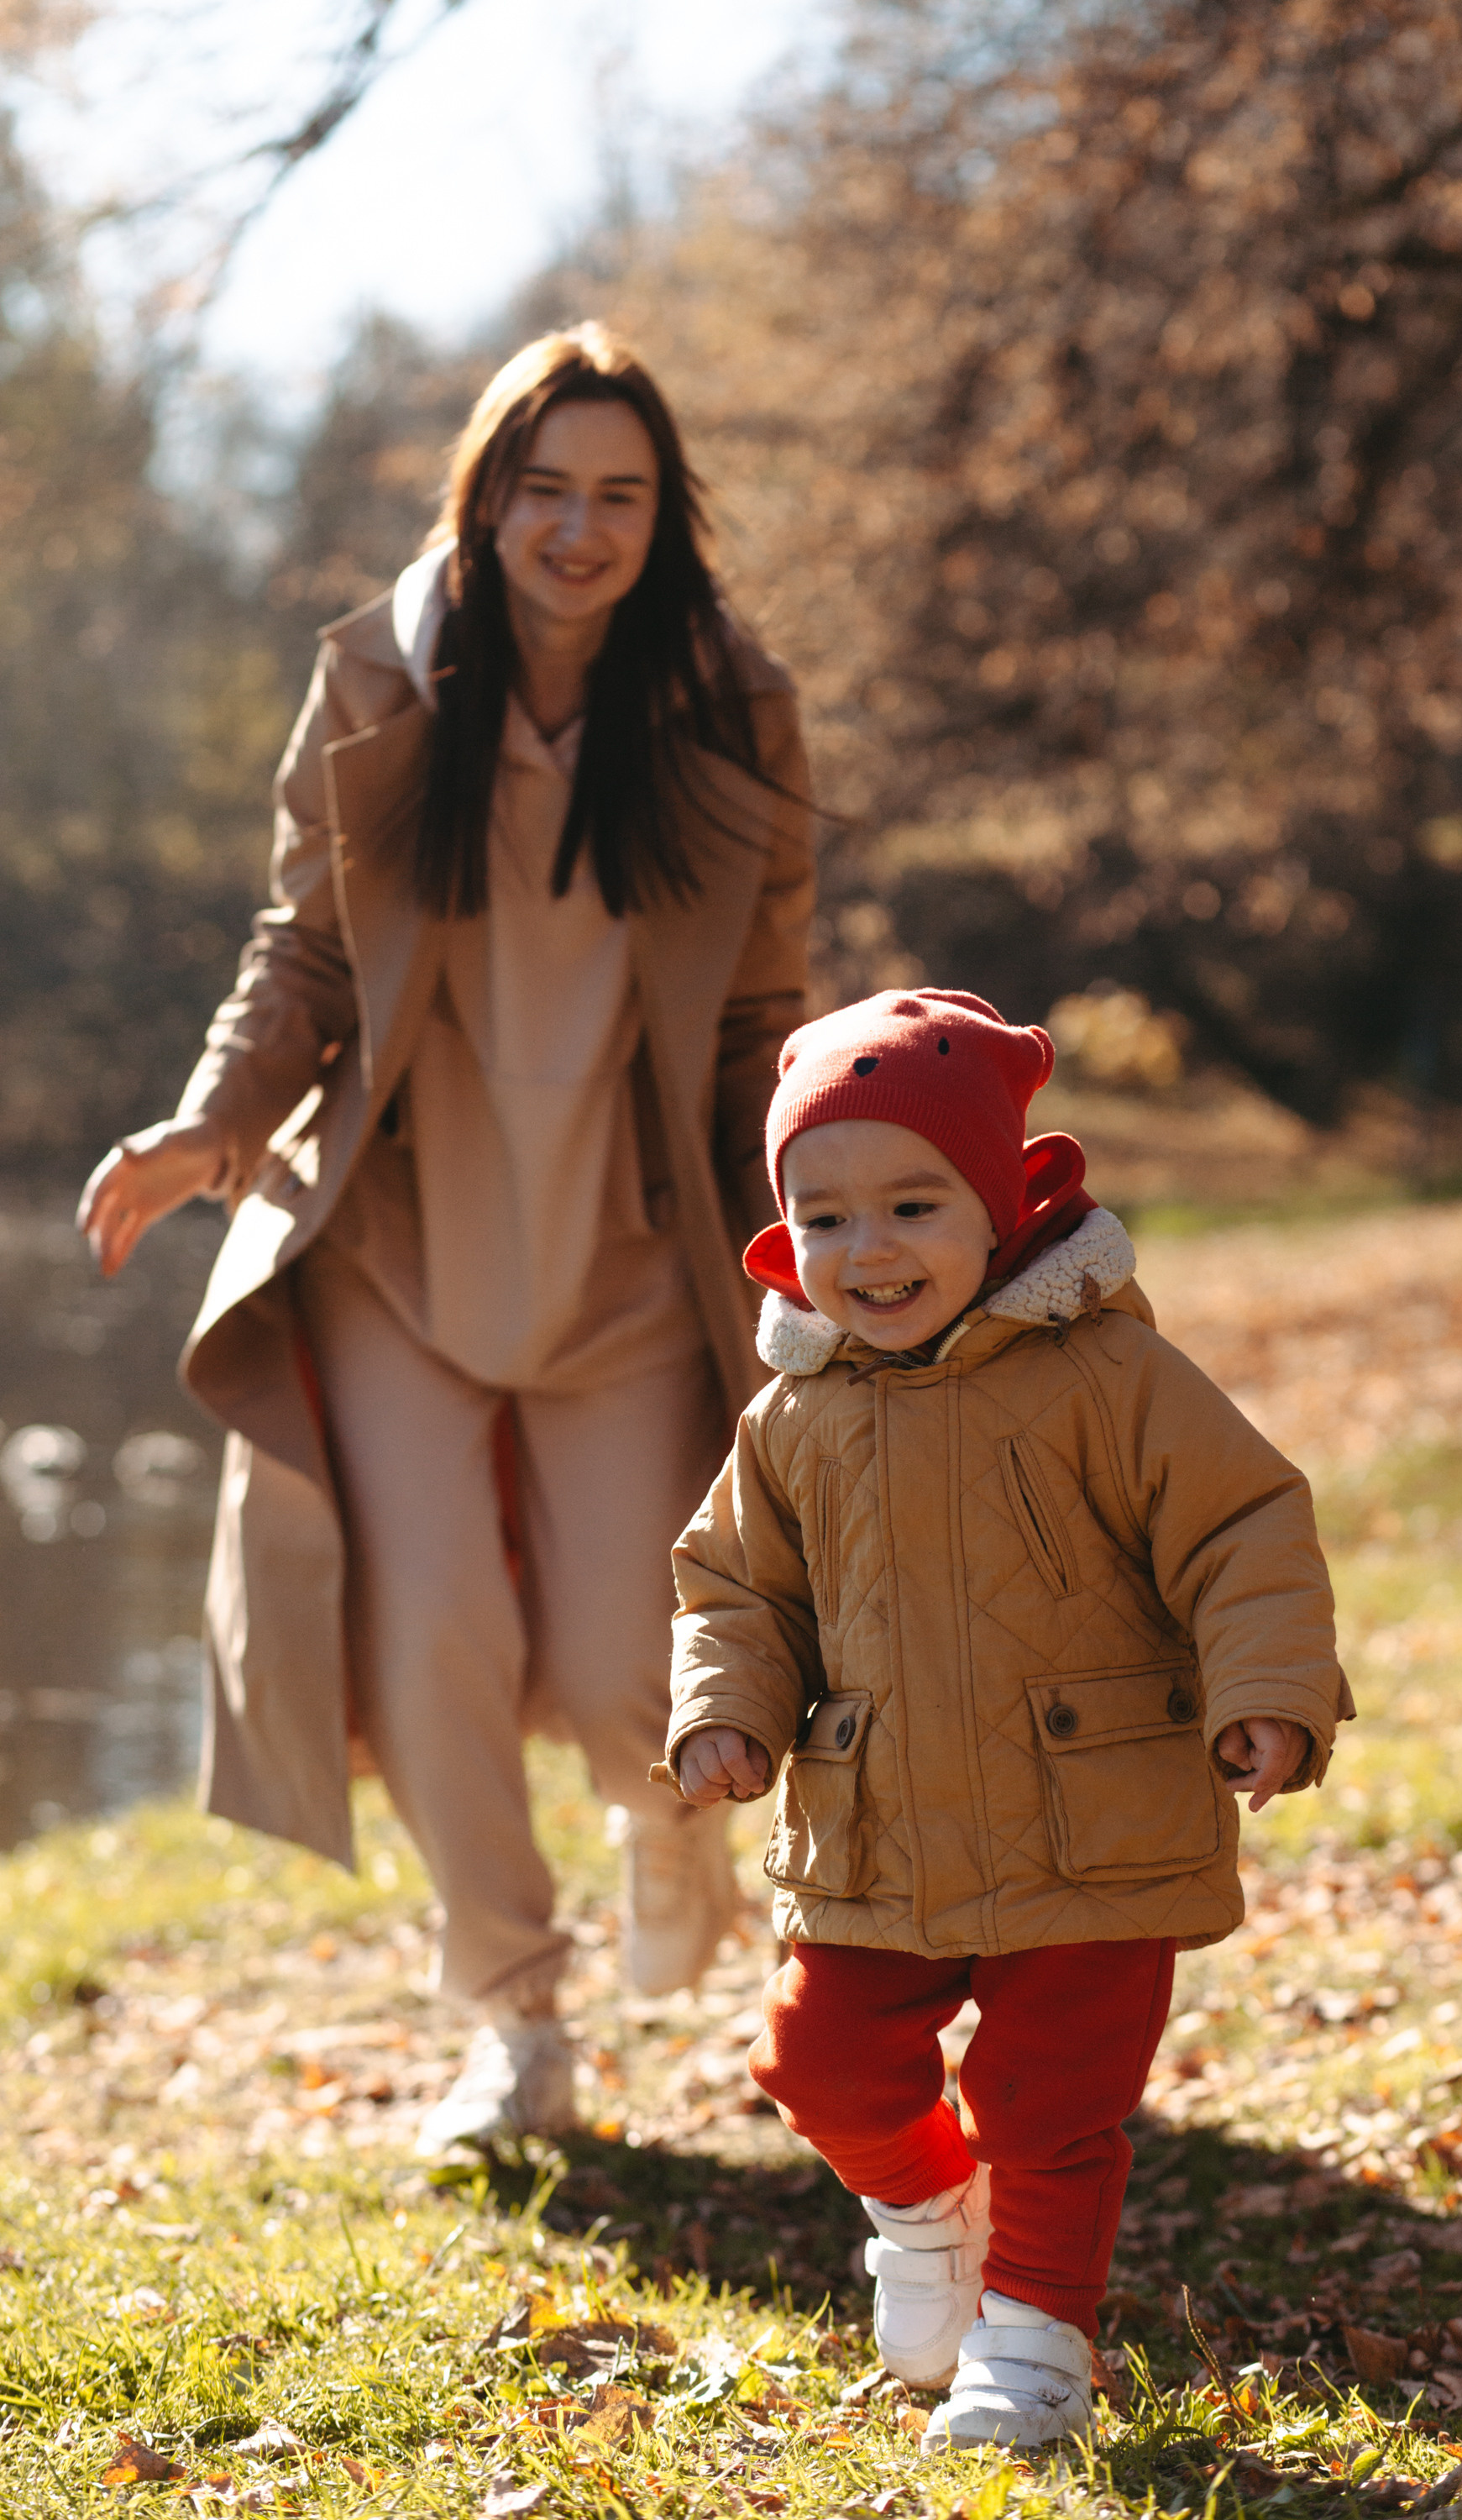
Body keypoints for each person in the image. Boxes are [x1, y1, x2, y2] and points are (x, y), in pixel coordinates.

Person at [77, 324, 815, 2153]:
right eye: (544, 489)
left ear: (664, 519)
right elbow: (306, 949)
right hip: (400, 1243)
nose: (579, 528)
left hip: (635, 1255)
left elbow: (756, 1017)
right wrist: (214, 1118)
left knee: (627, 1661)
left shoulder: (732, 707)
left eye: (618, 495)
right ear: (486, 501)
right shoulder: (379, 686)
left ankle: (671, 1838)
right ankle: (514, 2024)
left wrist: (803, 1237)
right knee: (430, 1649)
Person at [661, 988, 1353, 2449]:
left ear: (1002, 1205)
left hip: (1087, 1815)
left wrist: (1270, 1690)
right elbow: (734, 1587)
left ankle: (1037, 2340)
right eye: (828, 1217)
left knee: (1051, 2094)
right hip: (874, 1825)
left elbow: (1246, 1532)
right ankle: (925, 2217)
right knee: (819, 2060)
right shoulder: (791, 1418)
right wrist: (726, 1710)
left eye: (915, 1203)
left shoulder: (1108, 1375)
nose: (872, 1251)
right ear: (788, 1234)